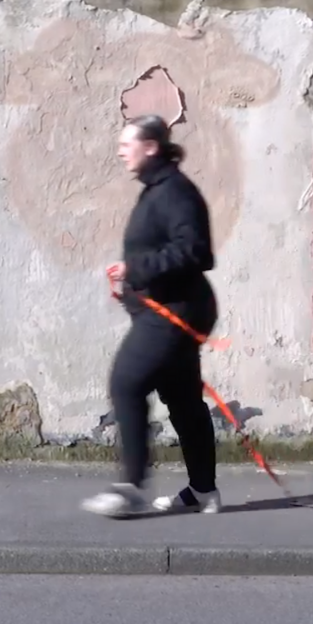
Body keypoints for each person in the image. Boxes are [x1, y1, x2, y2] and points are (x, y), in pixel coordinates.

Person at [81, 114, 221, 519]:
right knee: (182, 400)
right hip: (172, 308)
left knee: (126, 382)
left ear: (151, 147)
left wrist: (134, 269)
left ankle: (130, 488)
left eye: (129, 143)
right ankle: (202, 491)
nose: (121, 150)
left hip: (175, 312)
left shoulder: (174, 192)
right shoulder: (156, 190)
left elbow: (196, 252)